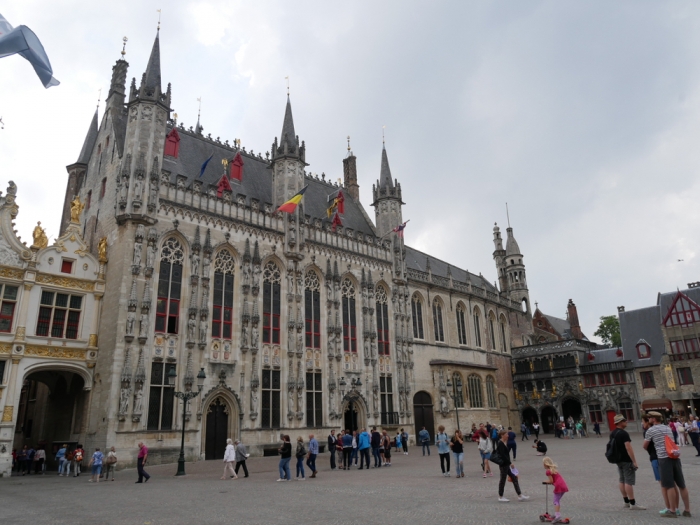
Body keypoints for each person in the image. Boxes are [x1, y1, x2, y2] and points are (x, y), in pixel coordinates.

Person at [643, 411, 691, 518]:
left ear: (654, 419)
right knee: (681, 485)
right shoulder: (667, 428)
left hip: (664, 459)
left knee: (669, 485)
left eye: (649, 417)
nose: (648, 419)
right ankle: (687, 510)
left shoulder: (651, 430)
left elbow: (645, 445)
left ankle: (672, 511)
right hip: (674, 457)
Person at [609, 414, 645, 510]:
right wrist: (634, 461)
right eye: (624, 420)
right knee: (628, 481)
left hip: (618, 460)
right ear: (620, 422)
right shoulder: (623, 433)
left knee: (622, 480)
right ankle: (633, 503)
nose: (626, 422)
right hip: (626, 459)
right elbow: (628, 447)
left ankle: (626, 501)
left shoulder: (613, 433)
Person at [496, 429, 529, 502]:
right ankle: (500, 496)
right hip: (503, 465)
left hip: (506, 464)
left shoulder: (504, 442)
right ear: (502, 435)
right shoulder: (500, 443)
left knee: (514, 477)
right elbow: (503, 456)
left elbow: (506, 455)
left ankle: (520, 495)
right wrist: (510, 463)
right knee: (503, 480)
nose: (508, 435)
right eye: (506, 434)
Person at [543, 456, 569, 523]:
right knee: (557, 500)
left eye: (543, 463)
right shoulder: (553, 470)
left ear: (546, 464)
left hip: (558, 486)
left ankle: (557, 515)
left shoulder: (548, 471)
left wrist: (545, 482)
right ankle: (556, 514)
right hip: (563, 485)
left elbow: (551, 481)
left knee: (555, 501)